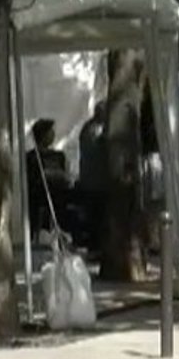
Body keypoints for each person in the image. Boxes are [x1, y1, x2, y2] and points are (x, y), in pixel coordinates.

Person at [26, 118, 72, 239]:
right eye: (50, 132)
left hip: (59, 193)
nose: (53, 135)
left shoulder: (58, 156)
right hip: (40, 195)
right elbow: (34, 178)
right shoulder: (32, 157)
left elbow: (65, 174)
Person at [77, 102, 107, 253]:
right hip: (98, 181)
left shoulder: (86, 128)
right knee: (98, 216)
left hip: (88, 179)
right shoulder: (98, 131)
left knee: (93, 215)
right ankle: (96, 247)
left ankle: (94, 246)